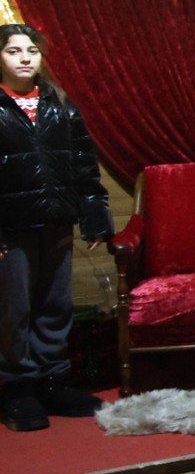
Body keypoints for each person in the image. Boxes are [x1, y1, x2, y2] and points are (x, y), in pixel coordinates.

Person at [0, 24, 111, 432]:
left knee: (54, 305)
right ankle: (17, 389)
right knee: (14, 310)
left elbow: (83, 164)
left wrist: (95, 218)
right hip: (11, 230)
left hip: (56, 221)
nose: (25, 58)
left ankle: (52, 381)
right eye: (14, 51)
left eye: (32, 50)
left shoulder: (59, 104)